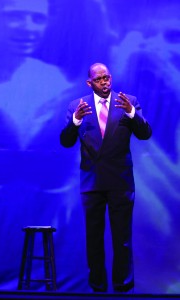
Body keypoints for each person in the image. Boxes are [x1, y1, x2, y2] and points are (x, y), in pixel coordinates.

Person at [60, 63, 152, 293]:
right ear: (89, 83)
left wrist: (132, 113)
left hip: (120, 181)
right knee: (94, 238)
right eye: (99, 79)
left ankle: (123, 287)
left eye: (107, 77)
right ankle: (97, 287)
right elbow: (66, 141)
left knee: (122, 238)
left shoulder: (127, 101)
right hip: (92, 183)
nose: (105, 82)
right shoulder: (77, 106)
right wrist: (75, 122)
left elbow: (145, 134)